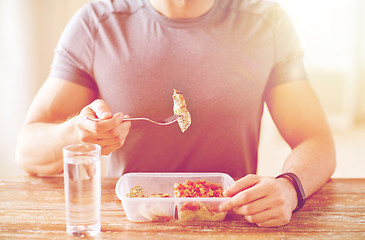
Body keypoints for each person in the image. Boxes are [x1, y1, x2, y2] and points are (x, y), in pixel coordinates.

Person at [16, 0, 336, 227]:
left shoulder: (267, 21)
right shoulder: (97, 23)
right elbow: (28, 150)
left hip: (229, 223)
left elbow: (316, 140)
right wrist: (79, 133)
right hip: (129, 225)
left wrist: (289, 187)